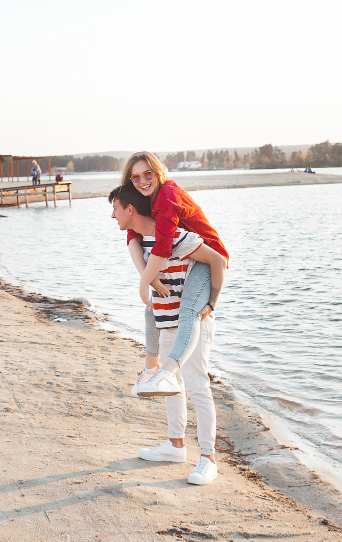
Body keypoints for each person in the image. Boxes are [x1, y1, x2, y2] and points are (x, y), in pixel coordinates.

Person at [109, 183, 226, 485]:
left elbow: (218, 260)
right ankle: (176, 446)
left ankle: (208, 458)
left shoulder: (174, 237)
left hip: (192, 321)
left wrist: (211, 301)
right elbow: (150, 302)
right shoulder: (142, 242)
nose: (112, 215)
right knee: (170, 385)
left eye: (115, 208)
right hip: (167, 321)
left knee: (198, 386)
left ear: (130, 209)